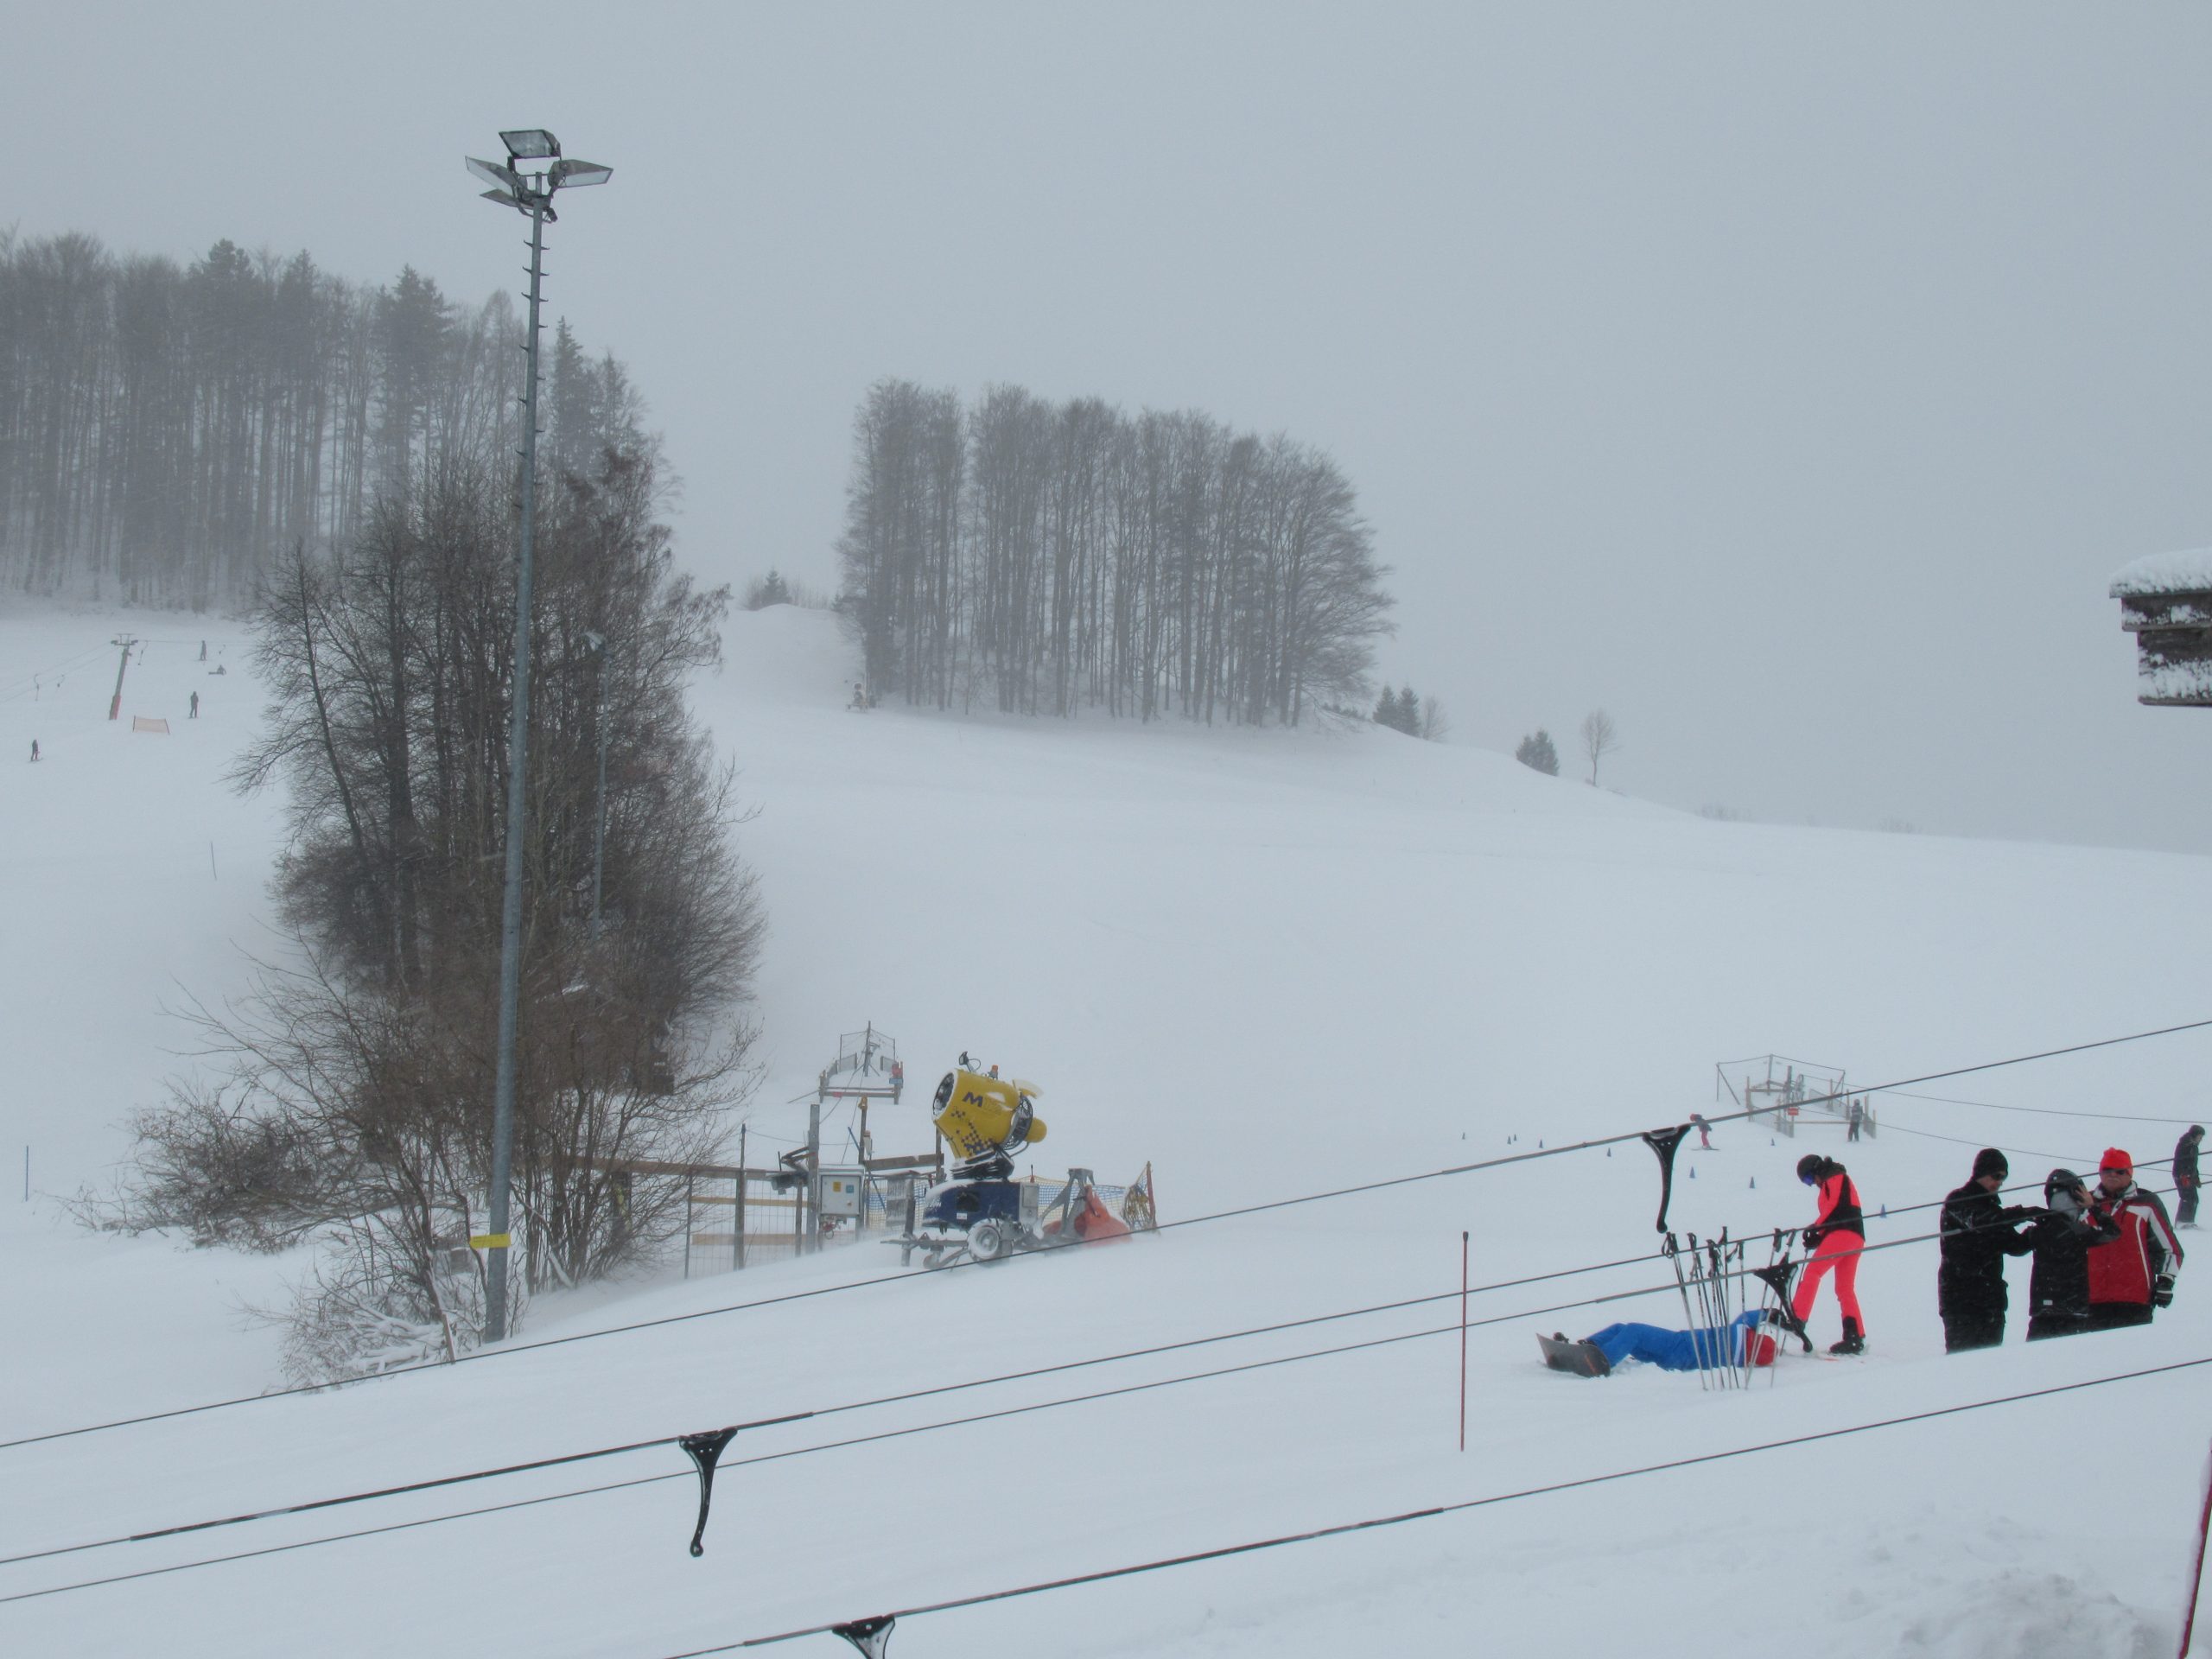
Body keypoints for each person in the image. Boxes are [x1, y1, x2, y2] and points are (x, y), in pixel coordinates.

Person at [1936, 1147, 2034, 1351]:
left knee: (1989, 1362)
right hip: (1961, 1301)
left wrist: (2037, 1232)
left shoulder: (1994, 1211)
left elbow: (2015, 1245)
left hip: (1990, 1301)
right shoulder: (1958, 1200)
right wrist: (2022, 1213)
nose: (1999, 1182)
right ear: (1981, 1173)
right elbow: (1980, 1221)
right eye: (1996, 1176)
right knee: (1962, 1360)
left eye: (2003, 1178)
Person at [2085, 1147, 2183, 1330]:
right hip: (2090, 1299)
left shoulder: (2147, 1202)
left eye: (2120, 1171)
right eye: (2107, 1170)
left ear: (2130, 1173)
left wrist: (2165, 1282)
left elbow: (2171, 1249)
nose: (2113, 1175)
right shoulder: (2085, 1204)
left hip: (2135, 1298)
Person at [2025, 1168, 2122, 1341]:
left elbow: (2014, 1248)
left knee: (2036, 1357)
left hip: (2042, 1313)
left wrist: (2022, 1214)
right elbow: (2113, 1232)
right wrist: (2093, 1207)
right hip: (2073, 1313)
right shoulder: (2079, 1231)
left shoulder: (2038, 1231)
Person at [1790, 1153, 1868, 1353]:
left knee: (1813, 1271)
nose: (1812, 1184)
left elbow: (1835, 1207)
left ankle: (1798, 1317)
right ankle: (1854, 1336)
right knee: (1844, 1288)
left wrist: (1817, 1228)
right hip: (1854, 1236)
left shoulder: (1835, 1177)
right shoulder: (1833, 1180)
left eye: (1809, 1178)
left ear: (1816, 1169)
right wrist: (1819, 1235)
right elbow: (1837, 1212)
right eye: (1807, 1182)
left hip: (1843, 1233)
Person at [1554, 1309, 1781, 1376]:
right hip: (1678, 1360)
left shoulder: (1738, 1331)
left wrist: (1768, 1313)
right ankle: (1590, 1350)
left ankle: (1602, 1360)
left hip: (1676, 1344)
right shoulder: (1737, 1359)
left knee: (1631, 1330)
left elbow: (1748, 1317)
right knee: (1624, 1332)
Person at [2176, 1125, 2203, 1229]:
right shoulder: (2186, 1145)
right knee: (2188, 1198)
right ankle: (2183, 1222)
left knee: (2193, 1198)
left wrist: (2196, 1178)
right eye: (2200, 1137)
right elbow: (2182, 1162)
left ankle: (2187, 1221)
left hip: (2188, 1176)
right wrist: (2184, 1175)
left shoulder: (2192, 1146)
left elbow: (2193, 1165)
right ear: (2195, 1135)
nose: (2201, 1139)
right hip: (2183, 1176)